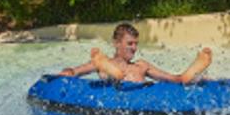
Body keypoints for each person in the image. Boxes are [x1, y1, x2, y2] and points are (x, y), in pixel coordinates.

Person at [58, 22, 212, 84]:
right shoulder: (103, 62)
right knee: (113, 75)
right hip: (115, 93)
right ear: (116, 43)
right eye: (129, 44)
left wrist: (196, 79)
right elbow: (75, 72)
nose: (134, 48)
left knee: (181, 78)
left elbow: (172, 79)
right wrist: (67, 72)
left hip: (139, 101)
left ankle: (193, 70)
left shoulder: (141, 66)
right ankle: (114, 74)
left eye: (136, 44)